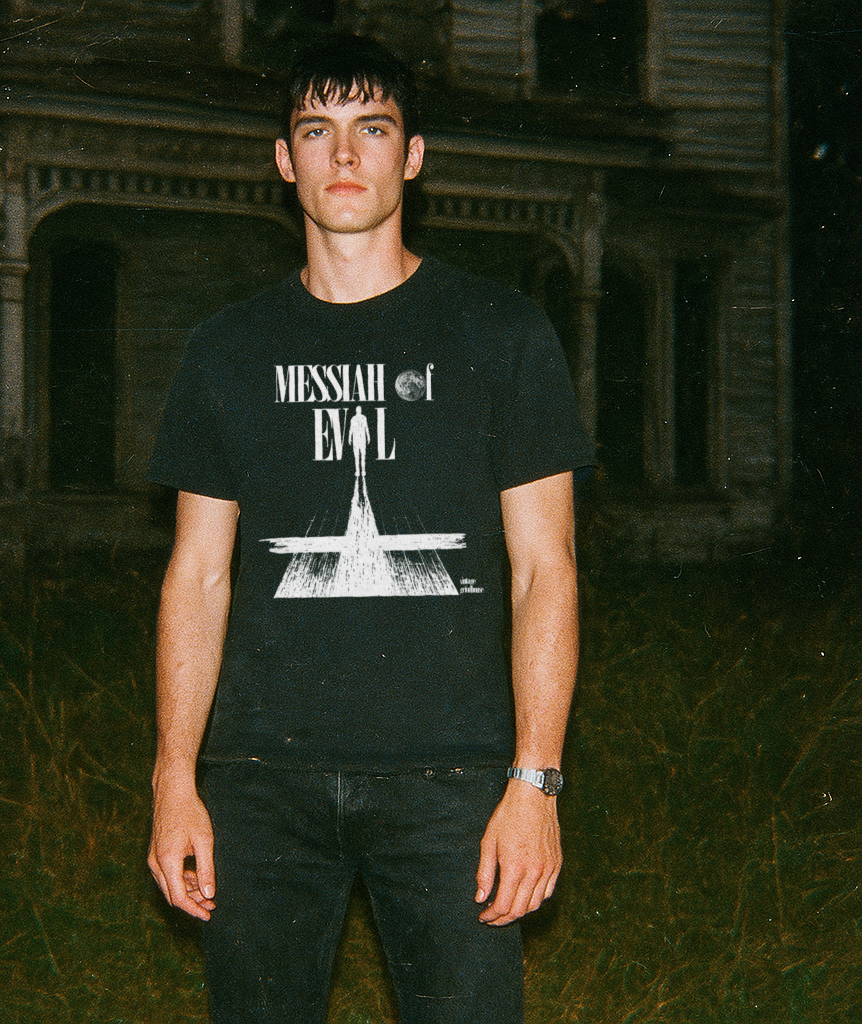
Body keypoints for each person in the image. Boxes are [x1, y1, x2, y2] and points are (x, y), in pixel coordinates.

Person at [147, 33, 595, 1024]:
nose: (343, 157)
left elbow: (543, 571)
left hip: (453, 784)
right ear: (282, 159)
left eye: (371, 129)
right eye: (316, 130)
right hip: (260, 782)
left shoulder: (502, 334)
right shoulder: (225, 350)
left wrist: (535, 781)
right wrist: (175, 776)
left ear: (414, 155)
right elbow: (198, 577)